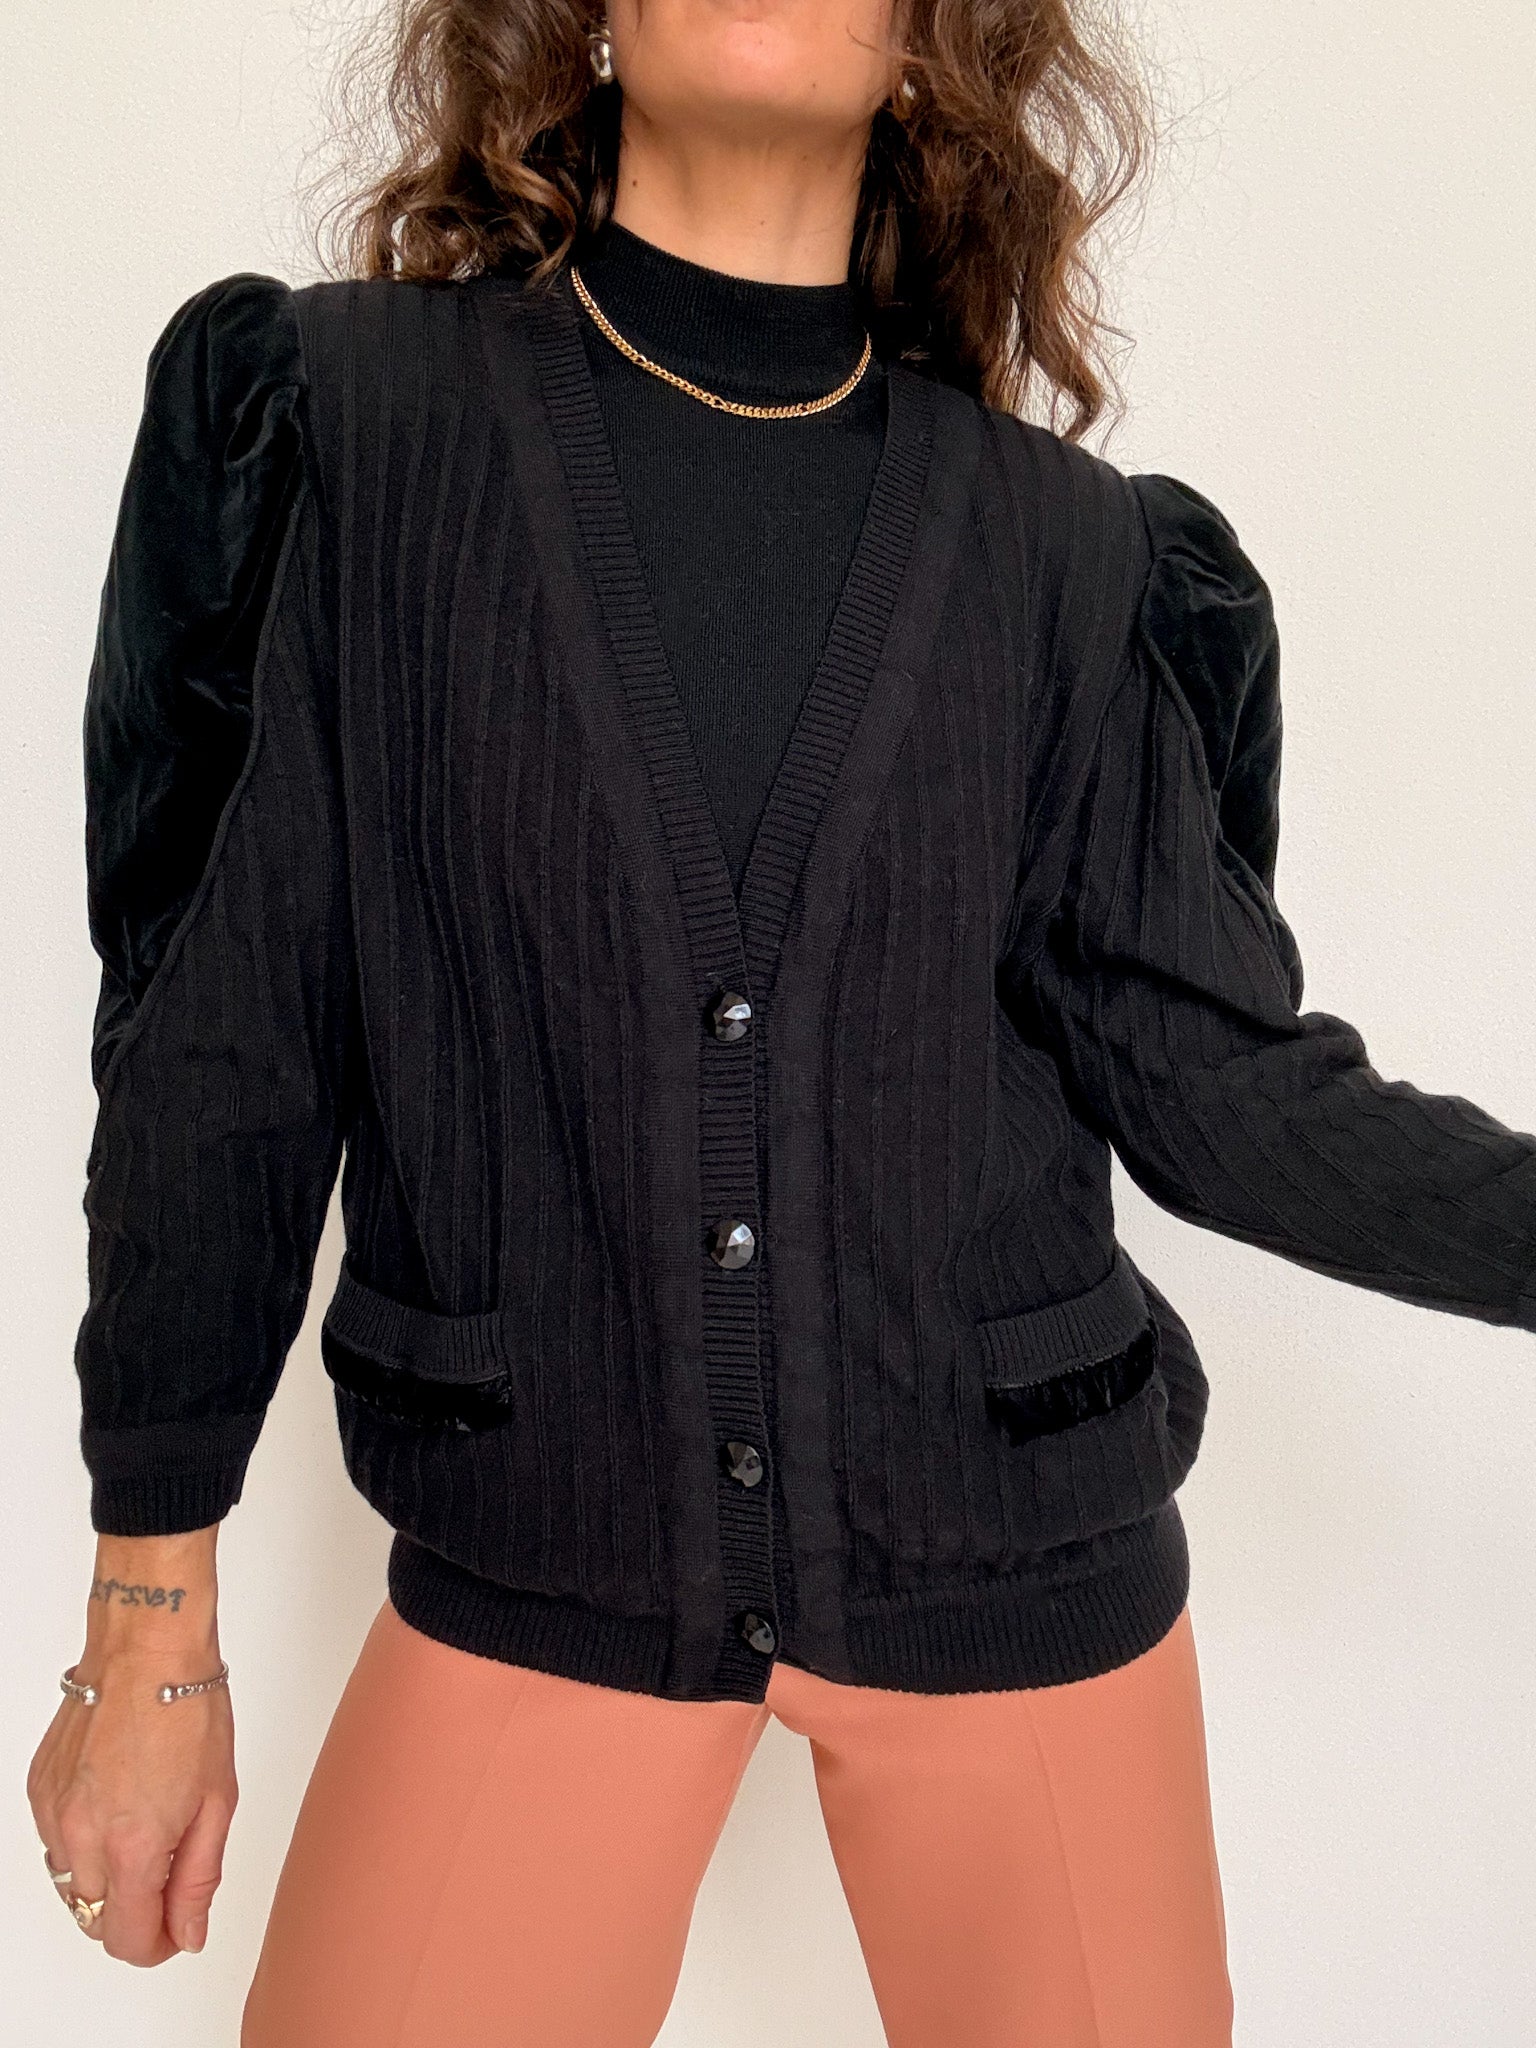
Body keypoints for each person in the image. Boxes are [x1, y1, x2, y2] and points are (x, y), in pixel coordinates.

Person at [27, 3, 1536, 2044]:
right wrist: (150, 1618)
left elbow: (1221, 1085)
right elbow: (223, 1053)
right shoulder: (353, 426)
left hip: (1021, 1565)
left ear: (929, 50)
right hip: (545, 1545)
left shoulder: (1067, 554)